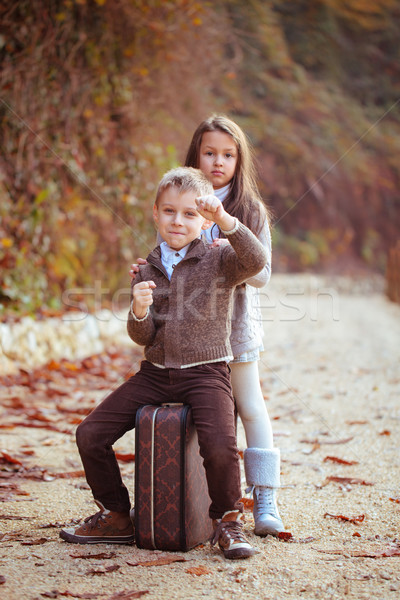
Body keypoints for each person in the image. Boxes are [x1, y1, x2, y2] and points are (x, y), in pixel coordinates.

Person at [60, 167, 268, 560]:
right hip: (155, 374)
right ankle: (117, 515)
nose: (178, 221)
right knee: (90, 433)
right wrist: (138, 311)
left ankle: (227, 522)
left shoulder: (221, 258)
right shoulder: (147, 267)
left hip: (206, 372)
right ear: (155, 214)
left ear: (204, 218)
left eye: (190, 213)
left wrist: (226, 220)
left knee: (221, 448)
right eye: (169, 211)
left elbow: (256, 261)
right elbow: (144, 337)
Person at [131, 115, 284, 536]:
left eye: (228, 154)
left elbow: (262, 273)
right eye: (210, 152)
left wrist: (228, 241)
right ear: (196, 154)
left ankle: (265, 498)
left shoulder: (248, 209)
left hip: (234, 327)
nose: (218, 161)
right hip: (190, 331)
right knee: (210, 419)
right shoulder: (181, 196)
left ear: (240, 159)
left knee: (250, 406)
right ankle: (192, 501)